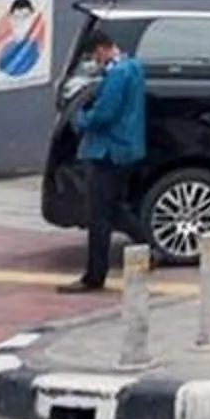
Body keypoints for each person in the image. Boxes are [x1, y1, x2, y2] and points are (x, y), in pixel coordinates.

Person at [58, 32, 147, 294]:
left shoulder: (117, 74)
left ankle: (94, 276)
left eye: (94, 56)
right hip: (127, 149)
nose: (95, 61)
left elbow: (104, 114)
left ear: (101, 49)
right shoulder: (134, 67)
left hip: (107, 151)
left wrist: (79, 118)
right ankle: (149, 246)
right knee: (115, 208)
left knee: (98, 216)